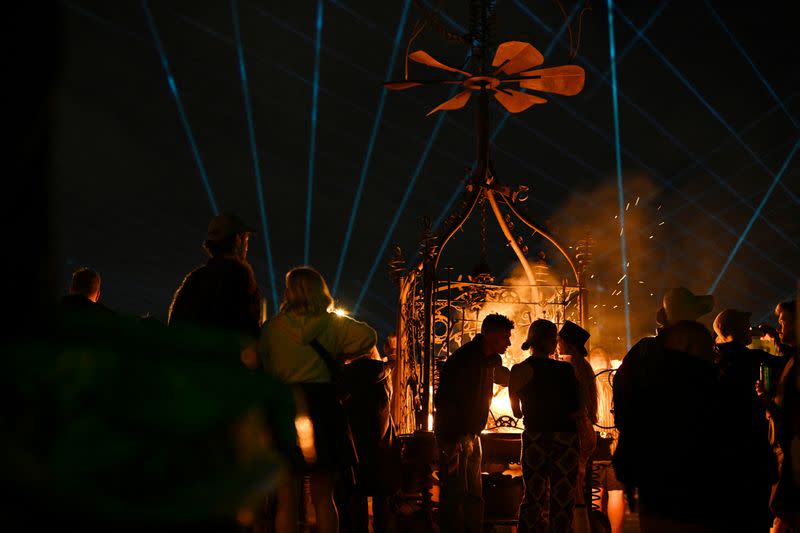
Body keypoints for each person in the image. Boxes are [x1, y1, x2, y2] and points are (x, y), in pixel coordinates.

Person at [259, 266, 378, 533]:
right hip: (324, 410)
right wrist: (342, 354)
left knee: (286, 501)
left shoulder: (271, 329)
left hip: (287, 409)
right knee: (325, 498)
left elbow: (265, 368)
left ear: (289, 292)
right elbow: (368, 337)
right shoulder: (332, 324)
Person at [434, 313, 513, 533]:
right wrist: (452, 442)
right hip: (456, 436)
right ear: (491, 335)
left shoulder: (488, 360)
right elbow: (445, 402)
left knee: (474, 496)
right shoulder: (464, 360)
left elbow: (505, 378)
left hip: (471, 435)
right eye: (505, 337)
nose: (509, 342)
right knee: (455, 496)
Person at [509, 319, 580, 533]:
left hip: (534, 439)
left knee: (533, 498)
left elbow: (516, 412)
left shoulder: (519, 370)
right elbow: (575, 408)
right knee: (562, 502)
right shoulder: (565, 370)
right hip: (565, 440)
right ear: (551, 341)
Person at [168, 212, 264, 367]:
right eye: (246, 239)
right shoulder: (240, 278)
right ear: (238, 240)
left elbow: (176, 326)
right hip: (224, 371)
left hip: (192, 369)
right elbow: (247, 330)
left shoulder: (194, 279)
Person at [713, 309, 779, 532]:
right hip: (751, 455)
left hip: (723, 457)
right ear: (733, 330)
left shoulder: (712, 362)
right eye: (746, 324)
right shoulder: (752, 358)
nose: (750, 328)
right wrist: (777, 341)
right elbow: (790, 362)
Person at [557, 321, 597, 533]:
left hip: (576, 433)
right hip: (585, 430)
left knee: (574, 490)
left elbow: (572, 406)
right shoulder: (584, 367)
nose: (557, 344)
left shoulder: (570, 369)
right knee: (577, 486)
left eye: (560, 340)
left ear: (568, 344)